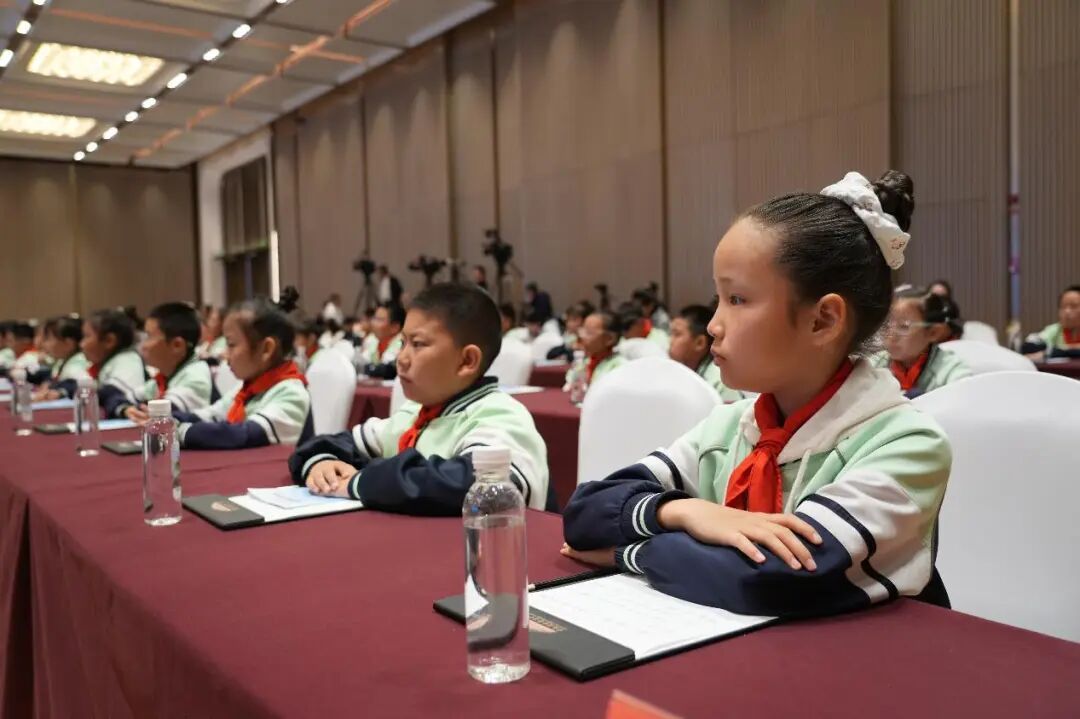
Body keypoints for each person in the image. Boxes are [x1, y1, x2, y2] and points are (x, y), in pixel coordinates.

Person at [561, 170, 952, 619]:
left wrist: (629, 553)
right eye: (718, 299)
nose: (714, 325)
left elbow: (772, 580)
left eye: (738, 300)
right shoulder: (730, 426)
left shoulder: (907, 444)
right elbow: (586, 512)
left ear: (823, 320)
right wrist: (685, 512)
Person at [288, 282, 550, 513]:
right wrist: (322, 465)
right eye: (402, 343)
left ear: (467, 361)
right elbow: (326, 444)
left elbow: (479, 487)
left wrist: (361, 482)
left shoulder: (500, 415)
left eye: (418, 344)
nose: (401, 359)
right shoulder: (413, 415)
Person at [172, 288, 311, 450]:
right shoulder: (249, 389)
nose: (225, 354)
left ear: (266, 349)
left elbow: (244, 435)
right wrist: (165, 419)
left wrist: (180, 432)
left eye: (231, 344)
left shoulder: (292, 393)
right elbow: (211, 416)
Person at [115, 302, 215, 420]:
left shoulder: (196, 376)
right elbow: (119, 399)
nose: (143, 345)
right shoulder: (165, 377)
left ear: (177, 345)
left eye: (149, 337)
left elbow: (163, 414)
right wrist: (125, 409)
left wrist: (133, 409)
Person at [872, 287, 971, 398]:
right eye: (886, 325)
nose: (891, 336)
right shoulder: (872, 365)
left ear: (933, 332)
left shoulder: (951, 371)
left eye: (904, 326)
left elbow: (963, 399)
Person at [73, 309, 147, 414]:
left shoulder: (128, 360)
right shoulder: (108, 362)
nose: (81, 344)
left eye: (87, 336)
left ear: (109, 341)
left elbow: (112, 393)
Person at [669, 304, 743, 402]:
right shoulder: (680, 370)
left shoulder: (721, 380)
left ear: (699, 343)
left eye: (677, 334)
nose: (670, 340)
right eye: (670, 333)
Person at [566, 309, 625, 388]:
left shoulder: (619, 367)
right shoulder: (586, 362)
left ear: (609, 339)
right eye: (582, 331)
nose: (582, 336)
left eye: (589, 333)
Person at [32, 316, 89, 397]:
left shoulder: (78, 363)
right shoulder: (62, 361)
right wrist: (49, 383)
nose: (44, 344)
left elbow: (82, 385)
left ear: (68, 344)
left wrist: (60, 391)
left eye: (48, 339)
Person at [1025, 285, 1080, 360]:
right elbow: (1029, 346)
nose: (1067, 311)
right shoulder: (1055, 330)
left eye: (1074, 306)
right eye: (1063, 306)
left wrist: (1053, 351)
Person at [361, 302, 406, 379]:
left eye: (379, 320)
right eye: (374, 318)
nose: (373, 323)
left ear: (395, 327)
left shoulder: (402, 345)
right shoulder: (372, 340)